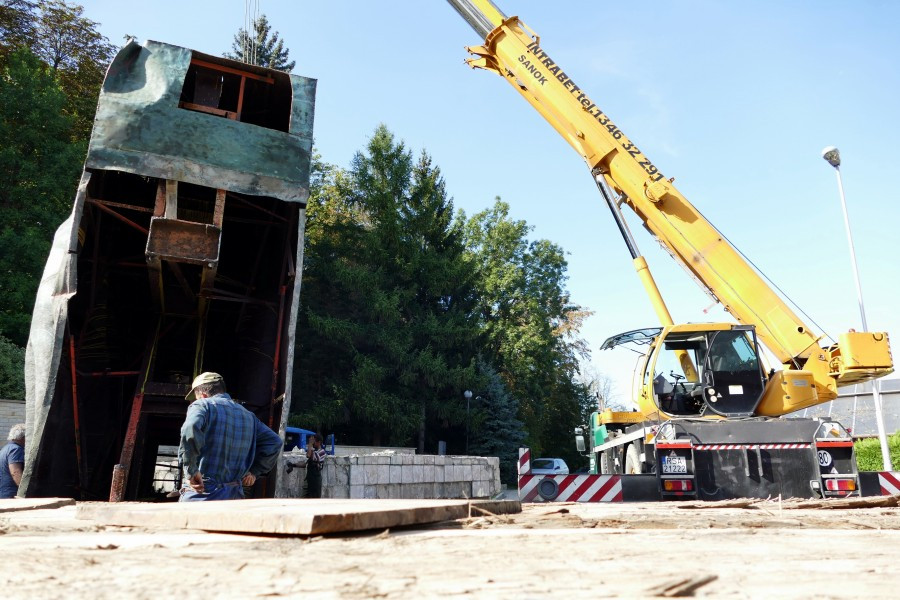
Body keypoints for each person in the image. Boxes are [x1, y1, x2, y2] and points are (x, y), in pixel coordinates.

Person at [178, 372, 283, 501]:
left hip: (202, 492)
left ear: (203, 395)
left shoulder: (202, 405)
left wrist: (191, 470)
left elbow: (190, 428)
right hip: (234, 494)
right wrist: (254, 471)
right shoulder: (249, 416)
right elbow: (275, 441)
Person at [1, 423, 25, 499]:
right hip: (11, 494)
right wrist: (24, 491)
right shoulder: (16, 449)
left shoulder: (5, 449)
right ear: (22, 438)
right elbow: (15, 472)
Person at [305, 433, 326, 498]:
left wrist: (310, 444)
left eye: (314, 441)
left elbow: (308, 455)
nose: (313, 443)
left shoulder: (322, 452)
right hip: (311, 480)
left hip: (316, 480)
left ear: (319, 442)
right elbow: (306, 463)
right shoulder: (314, 451)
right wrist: (294, 465)